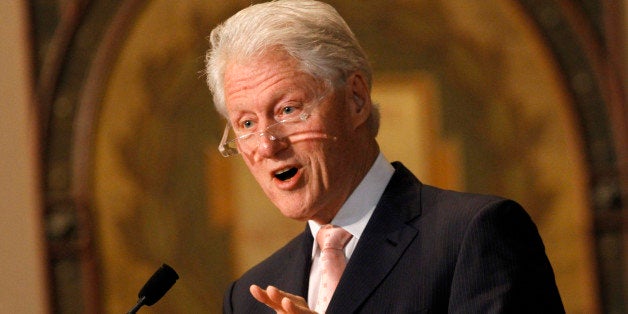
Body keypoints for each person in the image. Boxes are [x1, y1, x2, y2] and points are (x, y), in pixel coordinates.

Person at [204, 0, 565, 313]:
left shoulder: (474, 236)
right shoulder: (250, 297)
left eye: (287, 110)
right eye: (247, 123)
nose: (267, 146)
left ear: (356, 100)